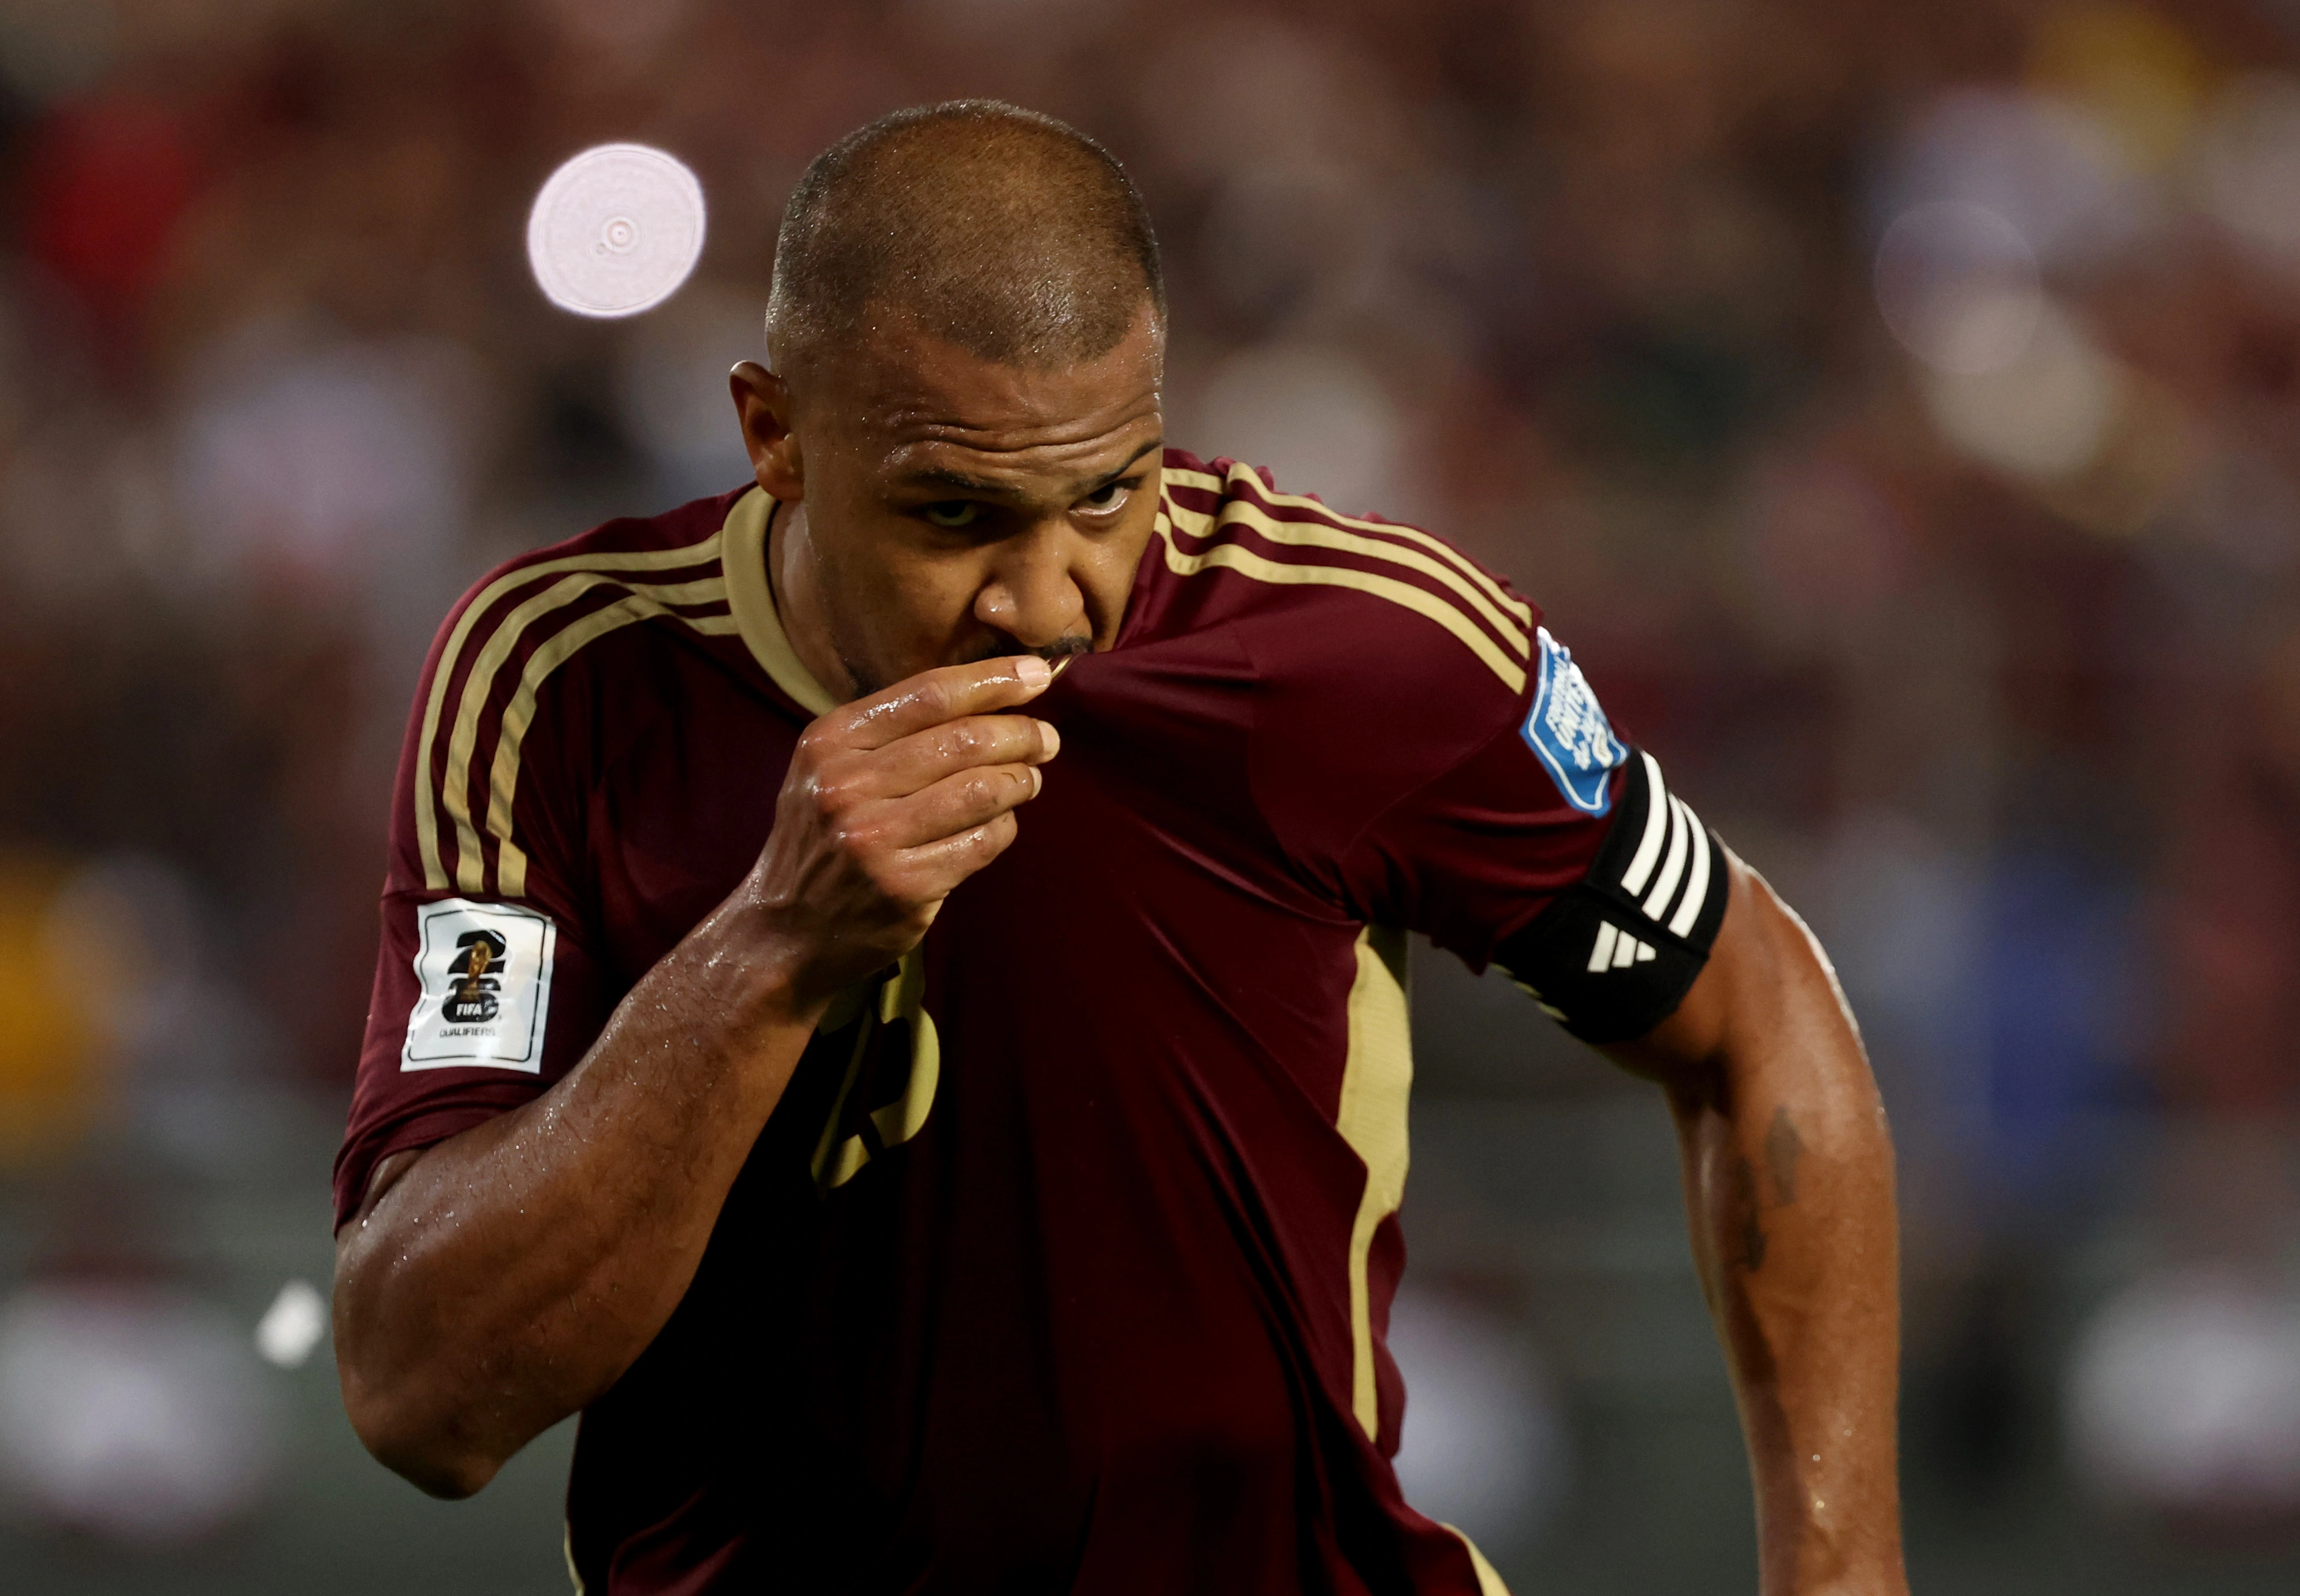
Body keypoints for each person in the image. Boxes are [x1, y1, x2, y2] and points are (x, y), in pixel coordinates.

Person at [332, 100, 1904, 1595]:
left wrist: (1841, 1573)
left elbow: (1757, 1014)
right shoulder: (561, 681)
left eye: (1103, 492)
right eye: (952, 516)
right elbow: (422, 1391)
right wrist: (766, 950)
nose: (1046, 597)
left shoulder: (1352, 653)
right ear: (777, 435)